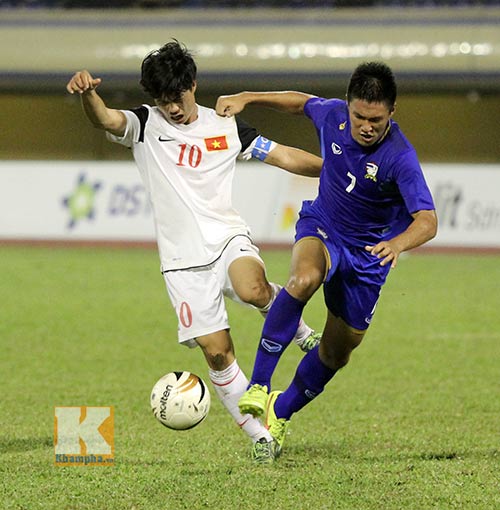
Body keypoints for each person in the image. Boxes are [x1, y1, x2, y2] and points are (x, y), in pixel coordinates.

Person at [65, 40, 323, 464]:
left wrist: (334, 169)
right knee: (218, 352)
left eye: (179, 99)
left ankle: (298, 330)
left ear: (194, 85)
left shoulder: (226, 126)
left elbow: (283, 156)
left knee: (256, 288)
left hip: (226, 239)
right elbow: (106, 120)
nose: (174, 109)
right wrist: (88, 94)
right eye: (164, 102)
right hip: (182, 263)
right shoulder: (145, 125)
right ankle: (262, 436)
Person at [216, 61, 438, 462]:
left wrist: (399, 244)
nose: (366, 126)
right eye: (359, 116)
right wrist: (247, 97)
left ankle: (279, 411)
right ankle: (259, 386)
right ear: (348, 107)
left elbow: (428, 220)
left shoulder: (401, 158)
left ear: (392, 114)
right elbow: (300, 102)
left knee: (337, 353)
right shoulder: (333, 114)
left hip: (369, 256)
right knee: (303, 278)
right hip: (324, 226)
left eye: (376, 119)